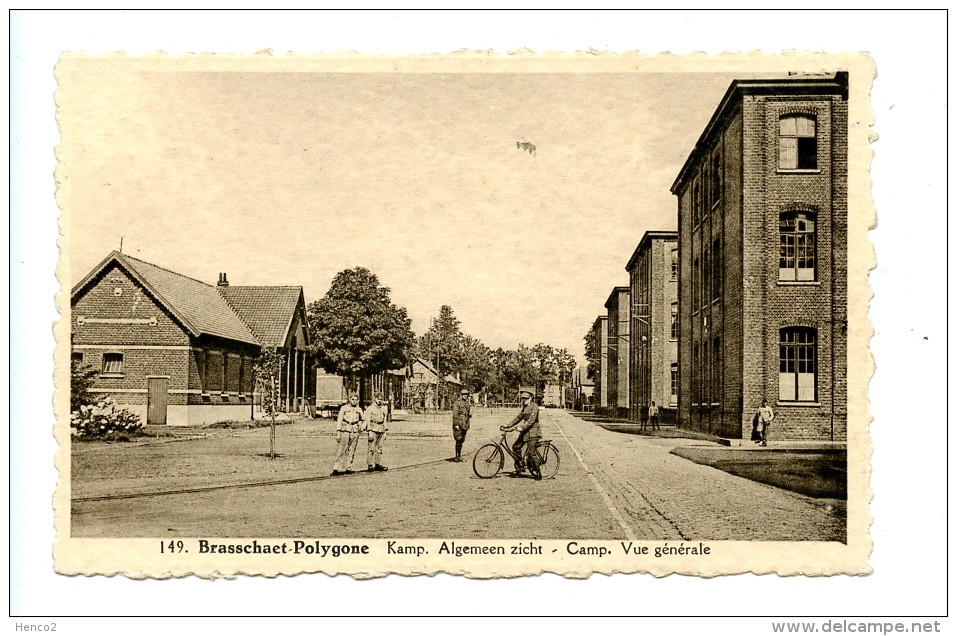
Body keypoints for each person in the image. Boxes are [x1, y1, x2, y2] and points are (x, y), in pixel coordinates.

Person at [501, 388, 542, 480]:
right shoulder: (524, 407)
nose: (524, 401)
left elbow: (531, 421)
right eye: (522, 399)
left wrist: (521, 428)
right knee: (516, 447)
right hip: (525, 433)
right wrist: (508, 425)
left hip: (533, 433)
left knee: (531, 452)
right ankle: (519, 467)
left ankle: (538, 472)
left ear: (531, 398)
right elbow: (518, 418)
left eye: (526, 399)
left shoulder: (535, 407)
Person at [331, 393, 363, 476]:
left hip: (355, 430)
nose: (354, 401)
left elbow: (363, 419)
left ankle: (348, 467)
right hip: (345, 430)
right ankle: (336, 468)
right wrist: (338, 432)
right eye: (352, 399)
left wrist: (361, 426)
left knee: (352, 450)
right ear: (349, 399)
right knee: (341, 450)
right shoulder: (344, 408)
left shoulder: (359, 409)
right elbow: (339, 420)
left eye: (356, 399)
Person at [365, 392, 389, 472]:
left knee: (379, 448)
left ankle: (377, 464)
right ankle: (370, 464)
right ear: (375, 399)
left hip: (381, 429)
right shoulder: (370, 408)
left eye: (381, 399)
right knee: (371, 448)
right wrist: (369, 432)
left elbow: (384, 420)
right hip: (373, 429)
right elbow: (367, 420)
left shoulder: (383, 408)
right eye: (378, 399)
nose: (380, 401)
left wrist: (385, 431)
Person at [450, 387, 471, 462]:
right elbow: (455, 414)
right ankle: (456, 456)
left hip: (465, 424)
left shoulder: (467, 403)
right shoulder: (457, 403)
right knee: (458, 440)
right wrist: (456, 424)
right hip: (459, 424)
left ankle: (459, 456)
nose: (465, 395)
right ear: (461, 395)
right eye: (464, 394)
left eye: (466, 394)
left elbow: (467, 413)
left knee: (462, 440)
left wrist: (470, 415)